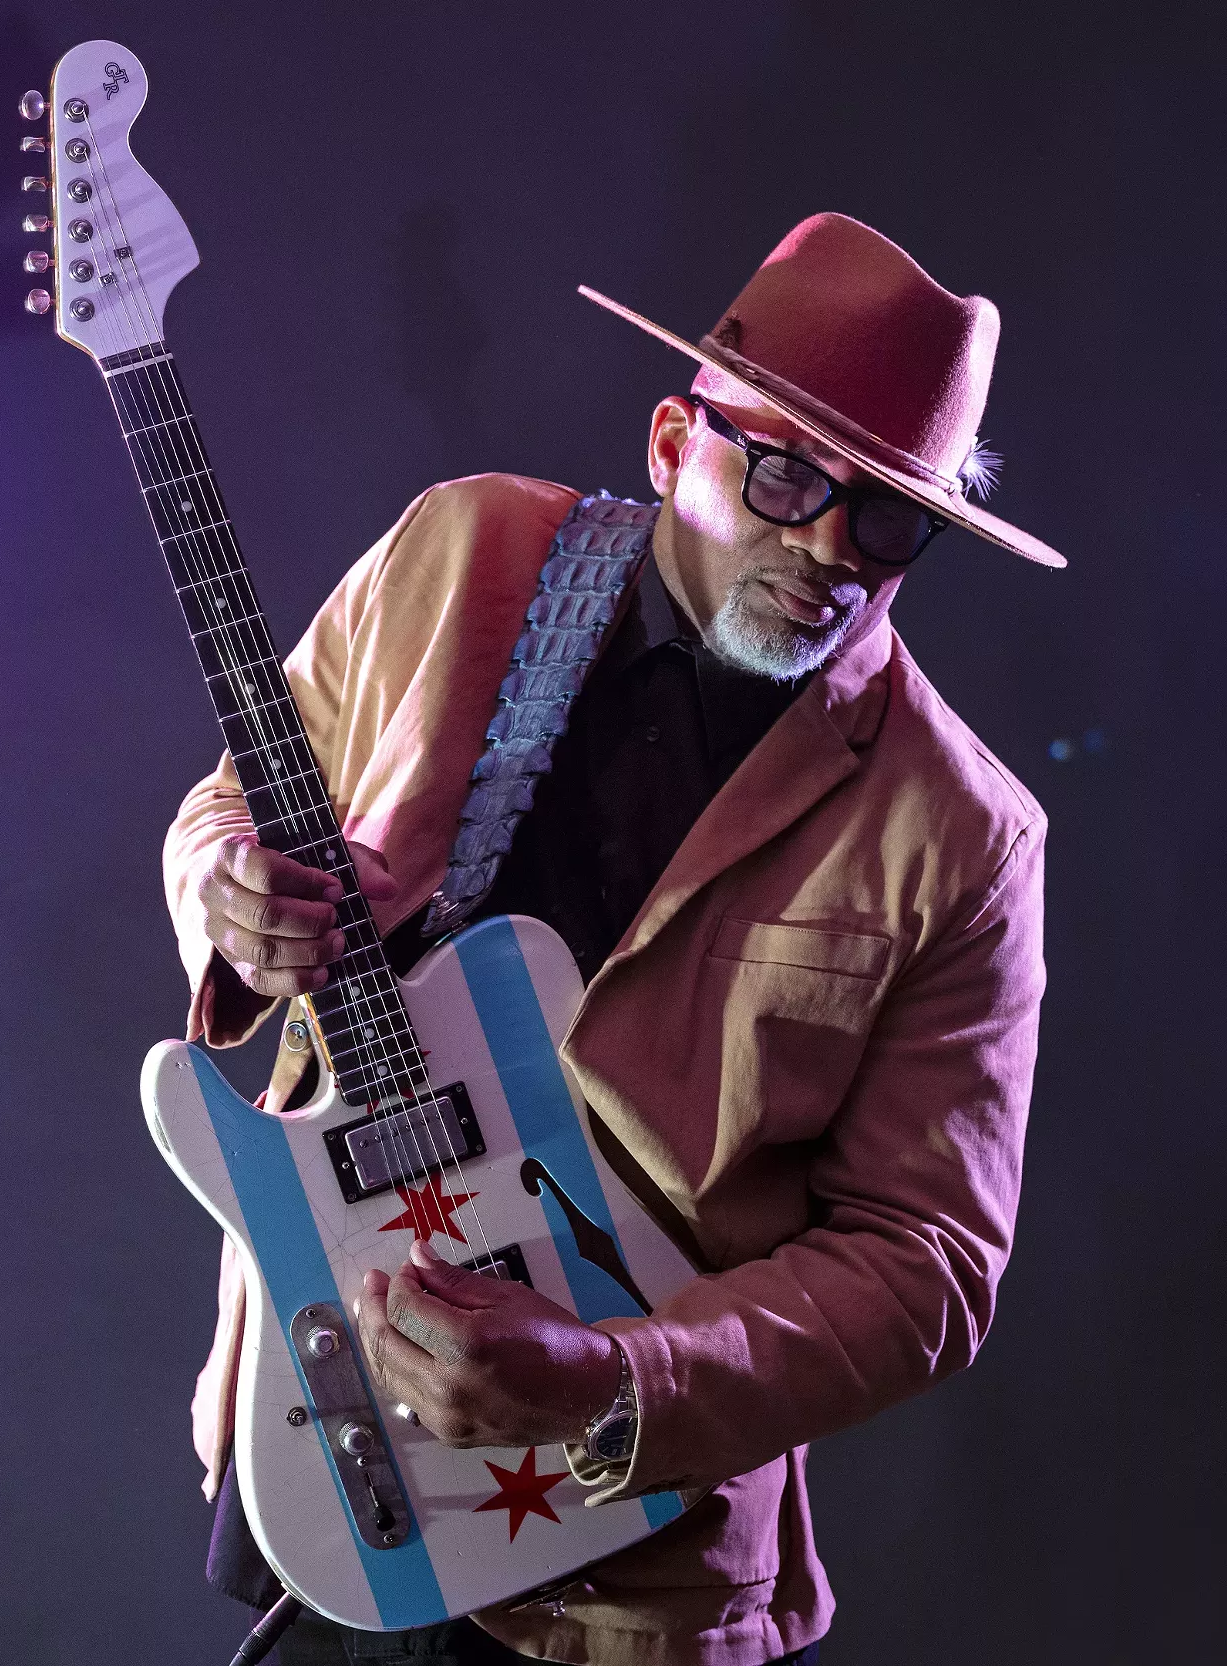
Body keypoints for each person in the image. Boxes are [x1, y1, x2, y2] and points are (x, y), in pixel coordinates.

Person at [164, 213, 1063, 1666]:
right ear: (671, 443)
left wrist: (611, 1382)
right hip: (324, 1437)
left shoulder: (965, 836)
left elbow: (928, 1260)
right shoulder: (462, 551)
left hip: (633, 1578)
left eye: (890, 517)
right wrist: (225, 885)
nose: (829, 547)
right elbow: (241, 796)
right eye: (787, 474)